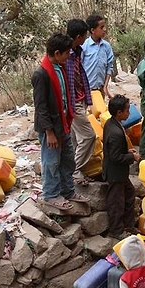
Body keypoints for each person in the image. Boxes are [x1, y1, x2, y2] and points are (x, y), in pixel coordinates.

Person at [32, 32, 90, 210]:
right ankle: (50, 194)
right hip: (51, 127)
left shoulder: (61, 68)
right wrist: (49, 132)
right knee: (51, 162)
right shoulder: (41, 75)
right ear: (57, 53)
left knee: (67, 159)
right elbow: (41, 106)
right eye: (66, 53)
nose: (68, 56)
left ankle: (68, 190)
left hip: (63, 123)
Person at [102, 94, 141, 240]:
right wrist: (132, 157)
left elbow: (115, 151)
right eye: (127, 110)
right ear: (119, 112)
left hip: (120, 173)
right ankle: (116, 230)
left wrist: (126, 151)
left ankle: (128, 225)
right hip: (115, 173)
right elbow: (115, 157)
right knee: (116, 203)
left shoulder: (111, 124)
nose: (129, 113)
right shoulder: (116, 132)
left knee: (129, 194)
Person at [65, 18, 96, 187]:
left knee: (76, 138)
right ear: (78, 36)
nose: (85, 39)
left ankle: (75, 170)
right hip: (73, 102)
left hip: (80, 98)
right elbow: (68, 82)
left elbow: (80, 76)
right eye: (84, 36)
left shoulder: (76, 51)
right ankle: (75, 170)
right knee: (88, 136)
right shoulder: (66, 55)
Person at [82, 13, 114, 101]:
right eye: (101, 27)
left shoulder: (106, 46)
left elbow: (109, 67)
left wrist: (105, 86)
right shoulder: (84, 46)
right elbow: (79, 66)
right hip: (86, 89)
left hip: (100, 89)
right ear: (92, 30)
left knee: (100, 112)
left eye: (104, 27)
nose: (105, 29)